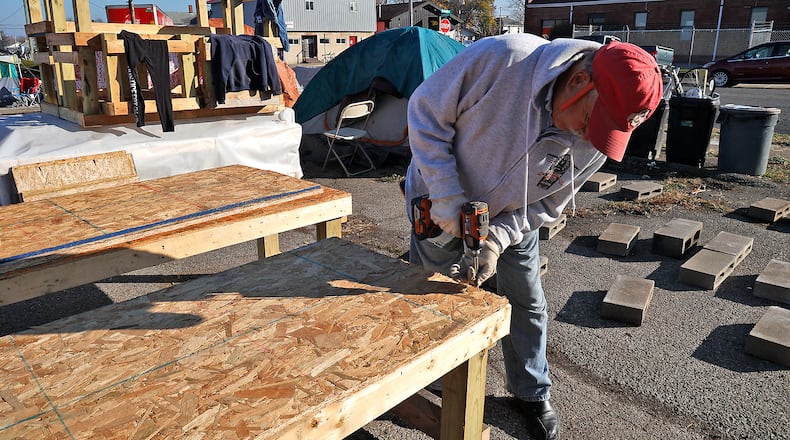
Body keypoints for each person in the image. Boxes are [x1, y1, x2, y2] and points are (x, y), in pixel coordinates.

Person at [404, 34, 662, 440]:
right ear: (579, 81)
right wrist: (446, 195)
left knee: (526, 299)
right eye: (592, 122)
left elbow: (550, 204)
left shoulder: (598, 136)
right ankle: (436, 380)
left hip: (511, 217)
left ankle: (530, 391)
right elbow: (425, 113)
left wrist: (497, 238)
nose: (590, 138)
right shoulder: (503, 61)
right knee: (435, 294)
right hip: (437, 198)